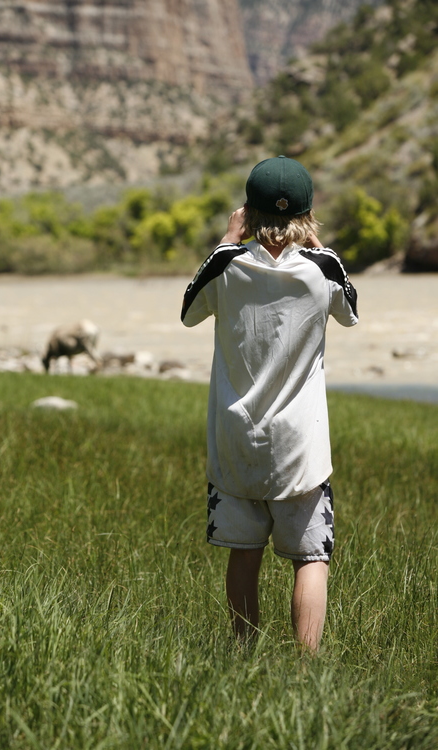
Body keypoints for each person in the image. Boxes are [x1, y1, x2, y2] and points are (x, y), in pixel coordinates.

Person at [181, 156, 358, 650]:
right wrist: (322, 249)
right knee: (311, 559)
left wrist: (226, 241)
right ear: (307, 215)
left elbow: (189, 313)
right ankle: (307, 670)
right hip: (301, 447)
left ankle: (244, 654)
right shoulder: (323, 269)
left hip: (236, 439)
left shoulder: (226, 266)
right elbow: (350, 312)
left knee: (243, 553)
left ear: (247, 212)